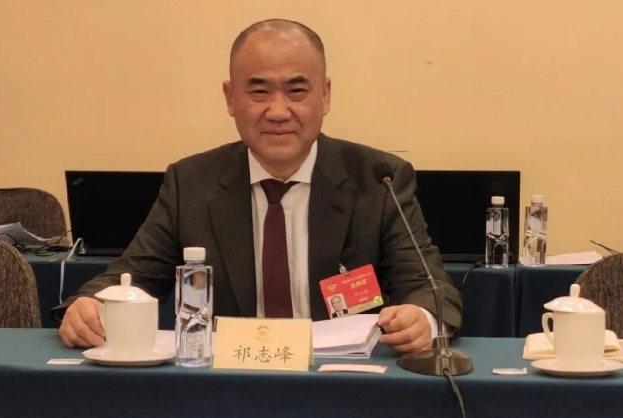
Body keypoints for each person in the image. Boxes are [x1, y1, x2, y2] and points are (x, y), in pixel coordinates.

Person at [55, 18, 462, 354]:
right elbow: (130, 277)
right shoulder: (192, 183)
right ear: (230, 98)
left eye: (297, 90)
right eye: (259, 91)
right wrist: (86, 307)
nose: (278, 111)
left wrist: (423, 319)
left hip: (341, 385)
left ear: (325, 95)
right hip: (231, 386)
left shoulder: (378, 179)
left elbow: (430, 289)